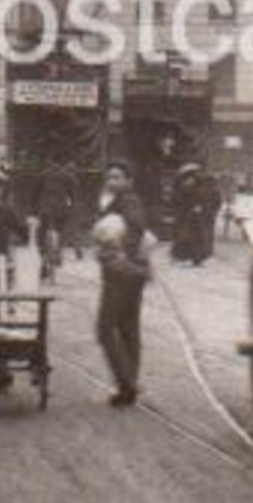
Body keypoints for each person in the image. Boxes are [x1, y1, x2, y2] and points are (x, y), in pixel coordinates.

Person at [94, 161, 151, 407]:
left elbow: (136, 229)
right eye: (109, 177)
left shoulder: (129, 200)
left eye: (117, 177)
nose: (112, 182)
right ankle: (128, 386)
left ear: (129, 181)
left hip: (122, 272)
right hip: (132, 272)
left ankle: (127, 383)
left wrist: (120, 254)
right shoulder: (118, 201)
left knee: (105, 328)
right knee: (128, 328)